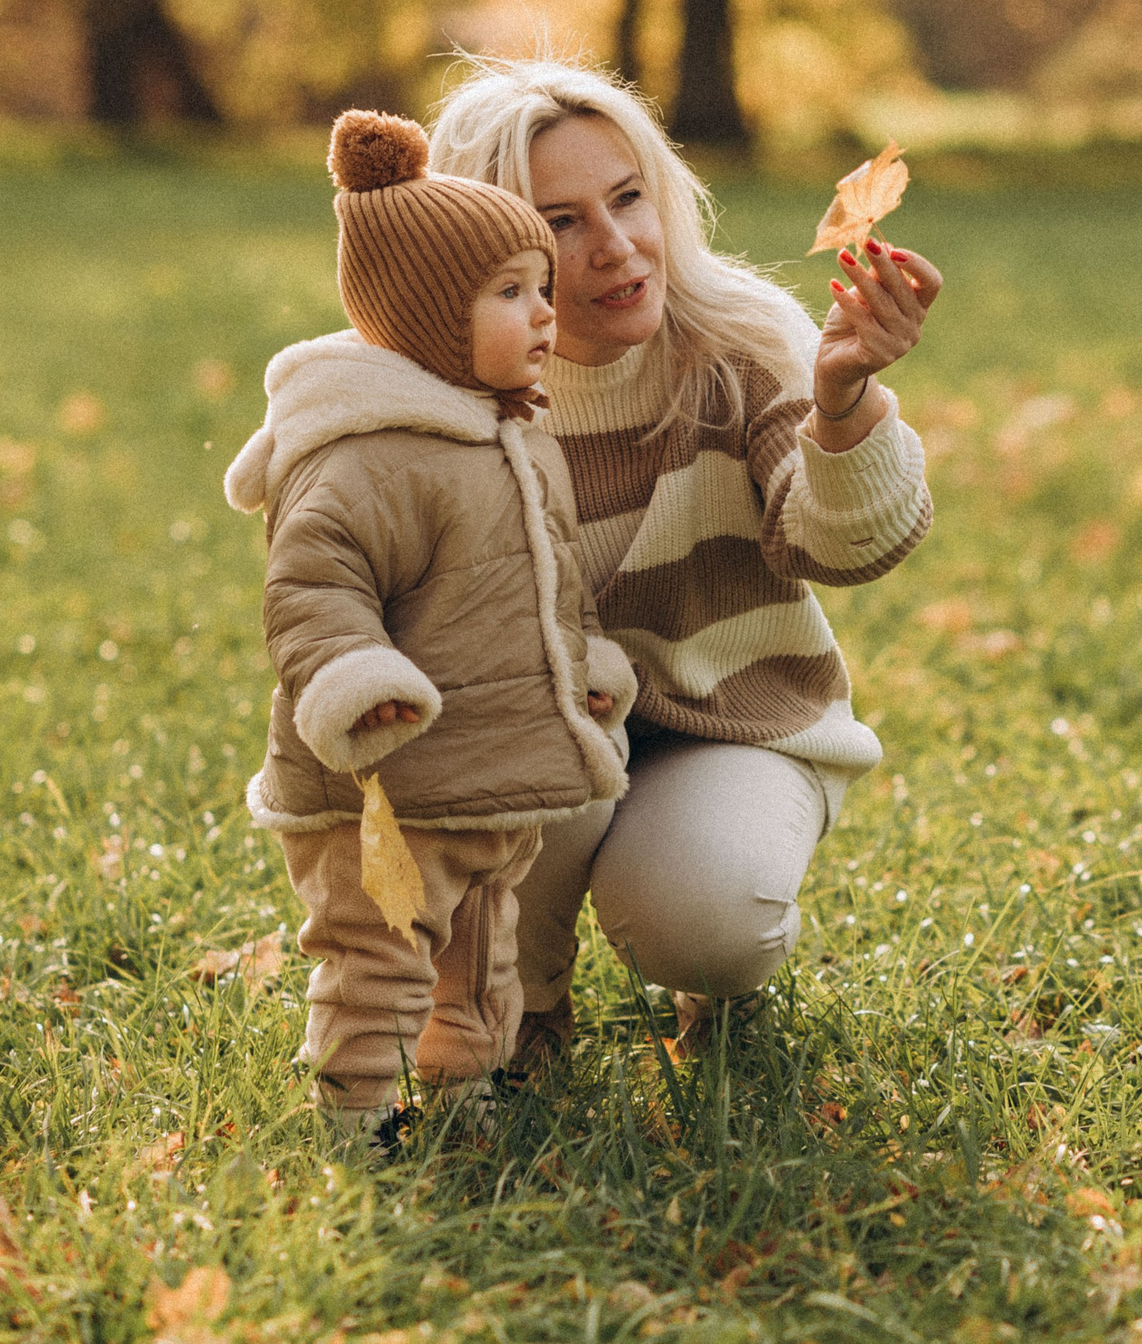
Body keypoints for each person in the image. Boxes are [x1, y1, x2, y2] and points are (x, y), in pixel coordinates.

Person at [426, 56, 941, 1056]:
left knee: (700, 916)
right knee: (527, 731)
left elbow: (844, 544)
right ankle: (521, 1000)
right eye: (561, 220)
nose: (617, 246)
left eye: (628, 197)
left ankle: (704, 951)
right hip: (548, 731)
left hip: (735, 719)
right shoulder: (452, 402)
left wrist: (841, 404)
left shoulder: (739, 343)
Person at [224, 109, 638, 1141]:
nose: (544, 314)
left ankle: (463, 1100)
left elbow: (551, 579)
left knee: (483, 955)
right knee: (379, 957)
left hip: (488, 776)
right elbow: (312, 590)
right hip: (384, 787)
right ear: (421, 315)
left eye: (542, 288)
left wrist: (584, 661)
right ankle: (356, 1116)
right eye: (510, 293)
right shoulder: (361, 455)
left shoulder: (515, 429)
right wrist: (353, 679)